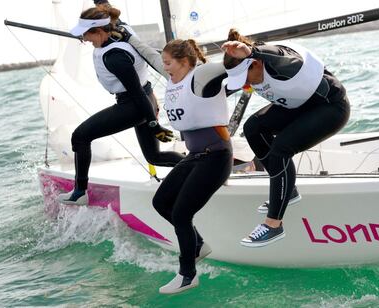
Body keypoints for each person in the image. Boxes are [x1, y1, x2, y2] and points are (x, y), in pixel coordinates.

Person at [222, 29, 350, 247]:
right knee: (253, 127)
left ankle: (273, 225)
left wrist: (252, 50)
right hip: (300, 106)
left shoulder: (278, 61)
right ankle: (286, 189)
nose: (243, 85)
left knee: (281, 149)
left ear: (255, 63)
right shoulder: (249, 68)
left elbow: (285, 57)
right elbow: (218, 89)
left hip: (331, 108)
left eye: (244, 78)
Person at [57, 5, 184, 205]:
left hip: (135, 105)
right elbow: (103, 6)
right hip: (146, 98)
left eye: (85, 35)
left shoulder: (115, 57)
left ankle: (80, 192)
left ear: (99, 31)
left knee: (80, 136)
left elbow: (136, 92)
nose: (83, 39)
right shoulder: (121, 28)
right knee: (154, 157)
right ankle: (197, 168)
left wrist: (154, 125)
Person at [152, 39, 233, 294]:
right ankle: (196, 244)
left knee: (181, 214)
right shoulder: (174, 80)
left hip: (216, 156)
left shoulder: (201, 75)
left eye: (168, 63)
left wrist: (242, 52)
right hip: (197, 155)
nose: (164, 67)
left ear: (185, 62)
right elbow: (146, 54)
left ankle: (188, 275)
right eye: (163, 62)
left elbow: (229, 66)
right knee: (161, 202)